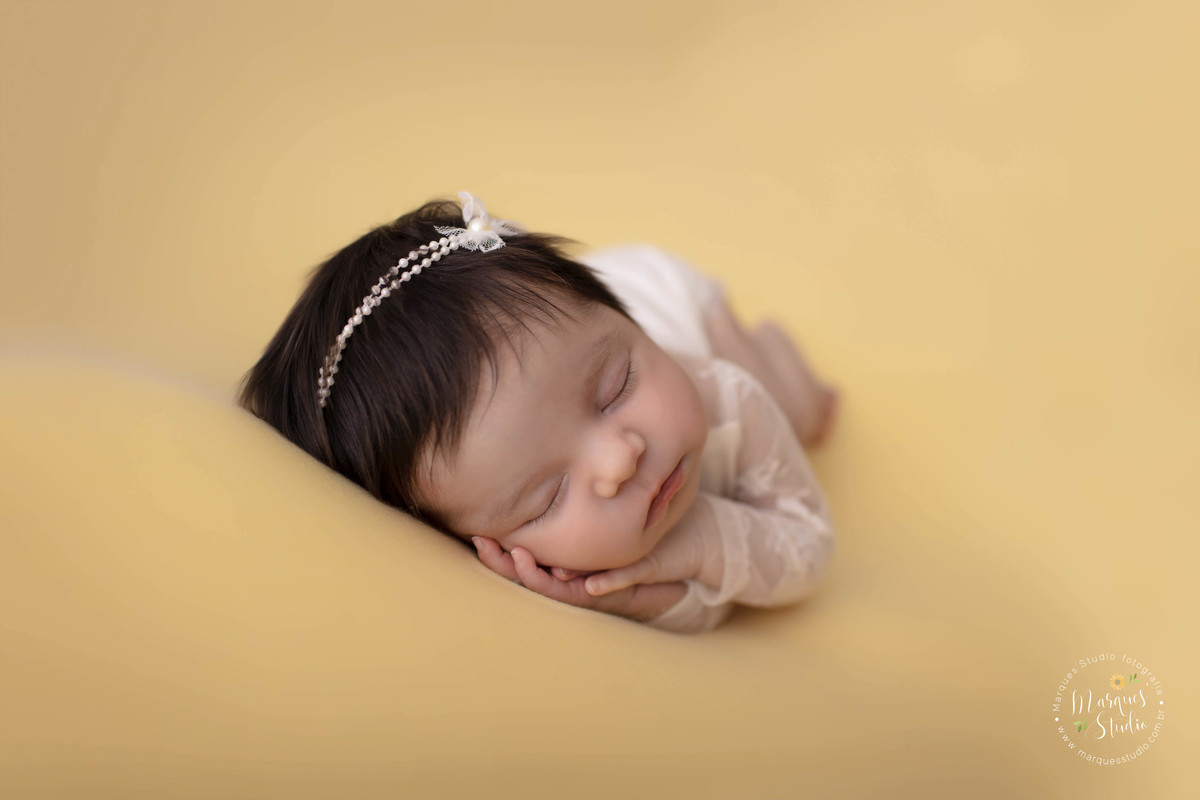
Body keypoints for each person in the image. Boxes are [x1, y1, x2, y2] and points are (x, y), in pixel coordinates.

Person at [238, 191, 839, 633]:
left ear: (625, 323)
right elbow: (713, 606)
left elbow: (808, 546)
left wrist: (703, 538)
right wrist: (639, 598)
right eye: (547, 497)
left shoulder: (728, 398)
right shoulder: (553, 560)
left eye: (615, 387)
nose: (620, 460)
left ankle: (773, 346)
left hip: (675, 296)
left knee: (798, 408)